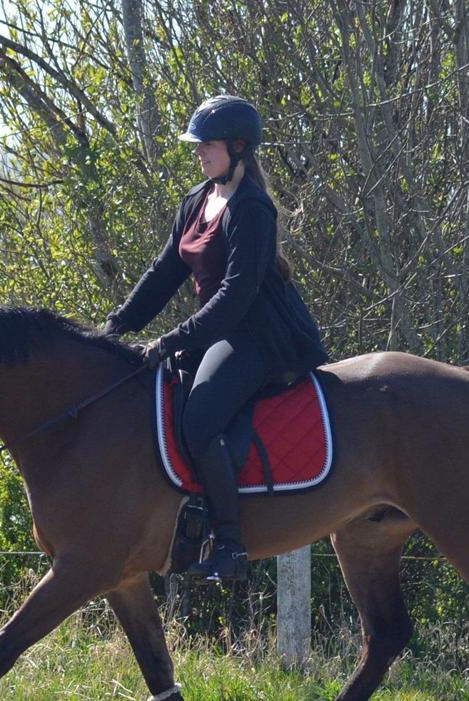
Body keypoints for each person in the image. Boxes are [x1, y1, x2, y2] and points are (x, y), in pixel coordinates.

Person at [105, 94, 329, 581]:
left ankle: (231, 545)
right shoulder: (197, 200)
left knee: (201, 415)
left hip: (259, 336)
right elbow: (163, 273)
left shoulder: (252, 208)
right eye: (199, 145)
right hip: (219, 329)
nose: (200, 153)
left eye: (208, 145)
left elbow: (235, 298)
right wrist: (116, 326)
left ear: (238, 147)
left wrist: (170, 341)